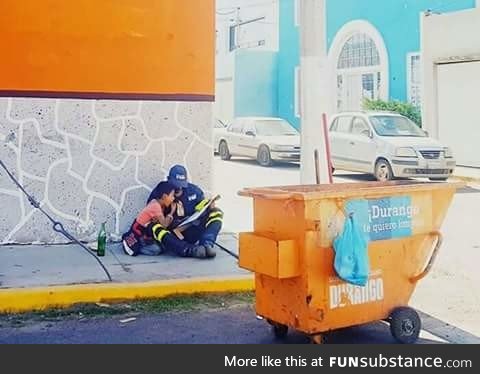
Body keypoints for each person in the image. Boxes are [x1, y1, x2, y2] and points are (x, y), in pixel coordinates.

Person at [148, 165, 223, 258]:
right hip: (171, 234)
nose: (178, 188)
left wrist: (209, 206)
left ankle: (207, 244)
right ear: (168, 180)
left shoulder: (194, 191)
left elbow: (202, 206)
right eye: (175, 184)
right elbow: (151, 213)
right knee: (153, 227)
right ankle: (189, 250)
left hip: (191, 228)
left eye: (181, 185)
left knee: (216, 213)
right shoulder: (160, 191)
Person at [122, 181, 211, 259]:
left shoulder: (159, 205)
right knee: (156, 249)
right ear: (164, 196)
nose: (173, 199)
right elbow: (164, 225)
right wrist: (171, 212)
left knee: (159, 247)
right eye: (172, 196)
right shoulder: (155, 206)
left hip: (148, 233)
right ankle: (139, 247)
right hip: (139, 235)